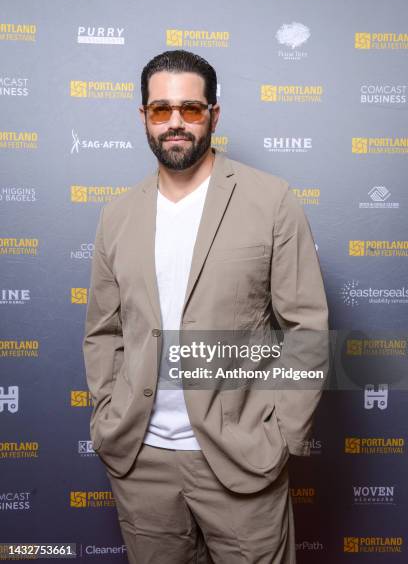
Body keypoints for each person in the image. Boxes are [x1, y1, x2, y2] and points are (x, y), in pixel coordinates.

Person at [83, 49, 329, 564]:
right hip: (141, 461)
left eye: (191, 109)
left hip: (242, 457)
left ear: (214, 114)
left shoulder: (272, 200)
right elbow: (104, 332)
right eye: (161, 110)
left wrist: (280, 434)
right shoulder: (117, 215)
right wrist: (108, 413)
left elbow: (307, 327)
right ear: (144, 117)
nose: (176, 123)